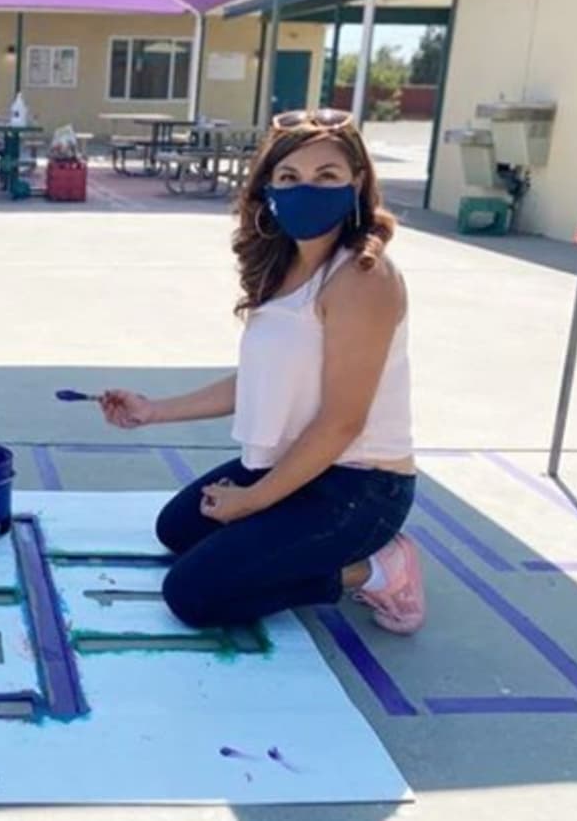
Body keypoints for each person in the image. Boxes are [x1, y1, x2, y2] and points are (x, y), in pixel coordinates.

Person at [100, 109, 423, 635]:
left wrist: (251, 500)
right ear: (268, 187)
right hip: (298, 462)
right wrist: (154, 411)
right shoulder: (283, 264)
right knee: (178, 529)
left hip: (360, 487)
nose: (306, 191)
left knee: (193, 595)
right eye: (289, 177)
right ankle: (289, 537)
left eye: (327, 177)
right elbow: (261, 379)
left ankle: (374, 569)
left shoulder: (364, 277)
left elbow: (343, 422)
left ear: (356, 184)